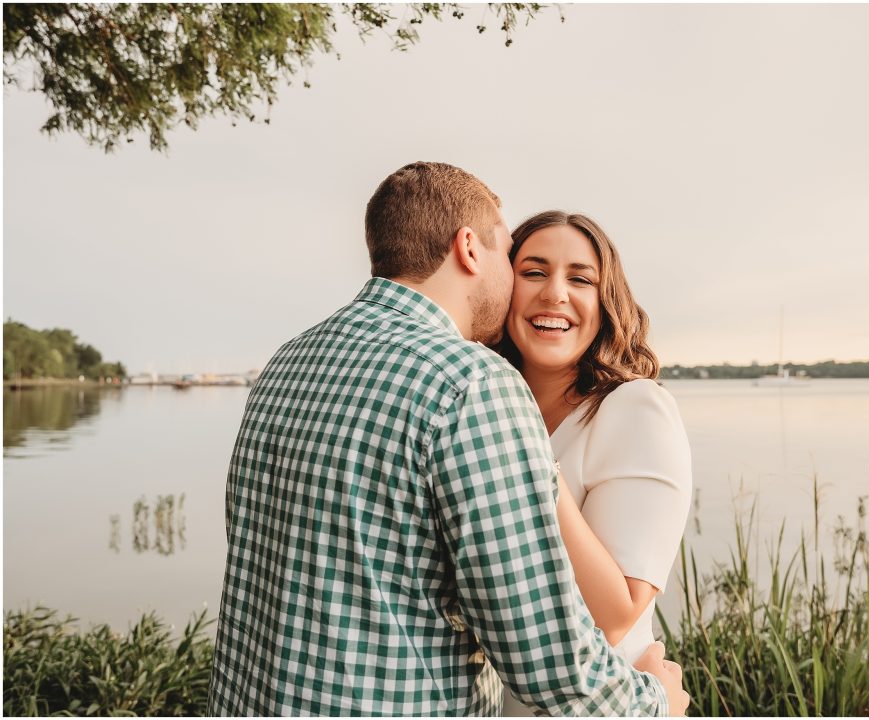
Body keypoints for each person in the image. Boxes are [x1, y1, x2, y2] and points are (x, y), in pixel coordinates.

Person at [207, 162, 689, 716]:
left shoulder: (288, 360)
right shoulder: (470, 384)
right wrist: (653, 707)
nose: (538, 290)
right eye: (516, 261)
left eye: (580, 278)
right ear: (469, 249)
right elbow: (546, 654)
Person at [497, 211, 692, 715]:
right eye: (534, 272)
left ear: (605, 305)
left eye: (580, 278)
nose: (555, 293)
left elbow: (616, 614)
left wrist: (524, 448)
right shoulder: (477, 410)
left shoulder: (633, 408)